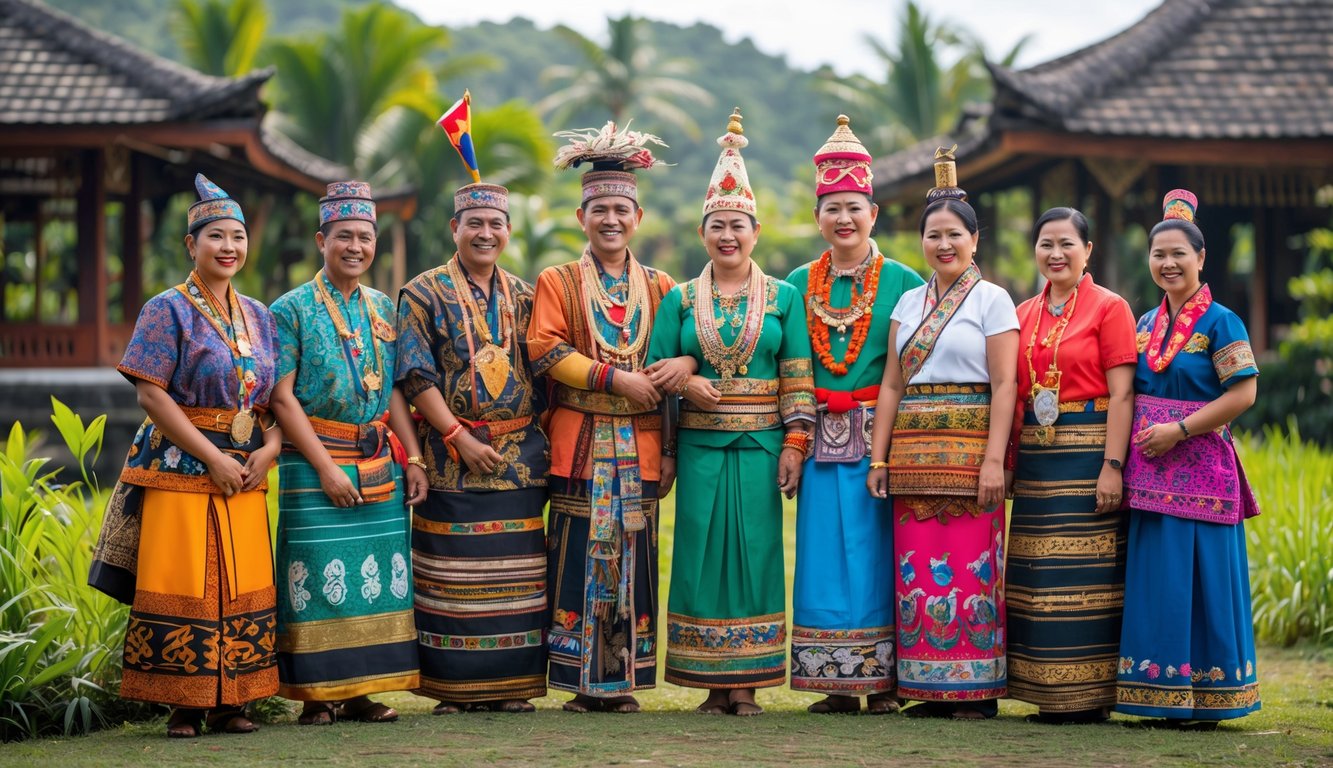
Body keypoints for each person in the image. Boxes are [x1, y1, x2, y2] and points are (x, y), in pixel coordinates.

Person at [95, 174, 281, 737]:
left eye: (239, 237)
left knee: (239, 576)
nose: (229, 247)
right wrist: (213, 457)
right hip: (182, 462)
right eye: (216, 236)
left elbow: (271, 400)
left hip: (246, 463)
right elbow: (152, 394)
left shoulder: (260, 314)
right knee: (184, 575)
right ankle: (184, 703)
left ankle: (234, 701)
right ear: (191, 245)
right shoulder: (165, 309)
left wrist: (269, 449)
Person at [648, 109, 816, 716]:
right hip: (697, 449)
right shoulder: (677, 299)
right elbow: (654, 377)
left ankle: (746, 685)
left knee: (756, 557)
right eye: (717, 224)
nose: (728, 235)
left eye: (737, 224)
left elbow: (798, 381)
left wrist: (796, 445)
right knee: (697, 556)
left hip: (761, 447)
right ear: (702, 232)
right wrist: (685, 381)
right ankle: (711, 684)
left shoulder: (784, 299)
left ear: (756, 229)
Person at [530, 120, 689, 713]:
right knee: (573, 553)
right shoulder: (558, 281)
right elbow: (545, 350)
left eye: (622, 209)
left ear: (638, 217)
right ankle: (578, 679)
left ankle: (620, 681)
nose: (611, 220)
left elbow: (673, 374)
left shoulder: (663, 288)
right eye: (600, 210)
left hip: (642, 446)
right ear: (582, 218)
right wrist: (612, 377)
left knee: (636, 554)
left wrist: (670, 449)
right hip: (580, 442)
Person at [866, 147, 1019, 719]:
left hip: (971, 452)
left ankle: (975, 691)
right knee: (917, 570)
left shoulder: (993, 300)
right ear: (922, 241)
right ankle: (928, 685)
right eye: (934, 235)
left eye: (955, 234)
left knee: (972, 567)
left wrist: (994, 461)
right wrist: (879, 460)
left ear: (974, 240)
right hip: (911, 456)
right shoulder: (907, 302)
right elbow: (890, 387)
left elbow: (1004, 385)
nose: (944, 244)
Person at [396, 177, 550, 714]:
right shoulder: (421, 292)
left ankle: (512, 688)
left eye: (496, 224)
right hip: (449, 456)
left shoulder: (528, 296)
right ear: (454, 228)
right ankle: (452, 691)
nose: (486, 233)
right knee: (451, 574)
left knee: (518, 574)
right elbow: (414, 375)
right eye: (475, 224)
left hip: (520, 460)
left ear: (508, 231)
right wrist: (456, 436)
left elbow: (546, 371)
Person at [787, 115, 925, 714]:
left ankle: (884, 682)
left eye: (854, 206)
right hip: (819, 437)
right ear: (819, 215)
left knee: (877, 552)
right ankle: (837, 682)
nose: (843, 218)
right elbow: (791, 367)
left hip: (879, 438)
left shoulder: (906, 281)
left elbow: (925, 364)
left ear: (874, 211)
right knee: (820, 551)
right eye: (832, 207)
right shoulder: (796, 284)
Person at [268, 182, 420, 725]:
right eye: (344, 237)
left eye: (364, 237)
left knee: (376, 573)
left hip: (378, 458)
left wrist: (417, 458)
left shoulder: (383, 306)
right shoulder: (290, 309)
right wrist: (327, 468)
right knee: (314, 570)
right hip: (314, 459)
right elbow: (281, 396)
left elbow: (397, 390)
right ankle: (317, 695)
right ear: (321, 240)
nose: (355, 246)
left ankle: (363, 690)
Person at [1115, 190, 1261, 728]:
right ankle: (1156, 691)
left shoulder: (1223, 322)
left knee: (1201, 579)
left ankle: (1210, 696)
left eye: (1179, 253)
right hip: (1151, 471)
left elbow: (1242, 394)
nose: (1168, 263)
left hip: (1200, 465)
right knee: (1159, 578)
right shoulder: (1145, 322)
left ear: (1201, 258)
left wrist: (1178, 430)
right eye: (1158, 255)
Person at [1005, 207, 1137, 723]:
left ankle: (1090, 695)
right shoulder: (1022, 313)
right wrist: (1012, 461)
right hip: (1039, 455)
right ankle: (1042, 689)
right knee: (1038, 575)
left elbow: (1124, 394)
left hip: (1090, 449)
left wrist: (1113, 464)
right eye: (1045, 244)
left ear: (1088, 250)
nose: (1055, 254)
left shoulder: (1111, 308)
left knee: (1091, 571)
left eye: (1066, 244)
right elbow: (1015, 395)